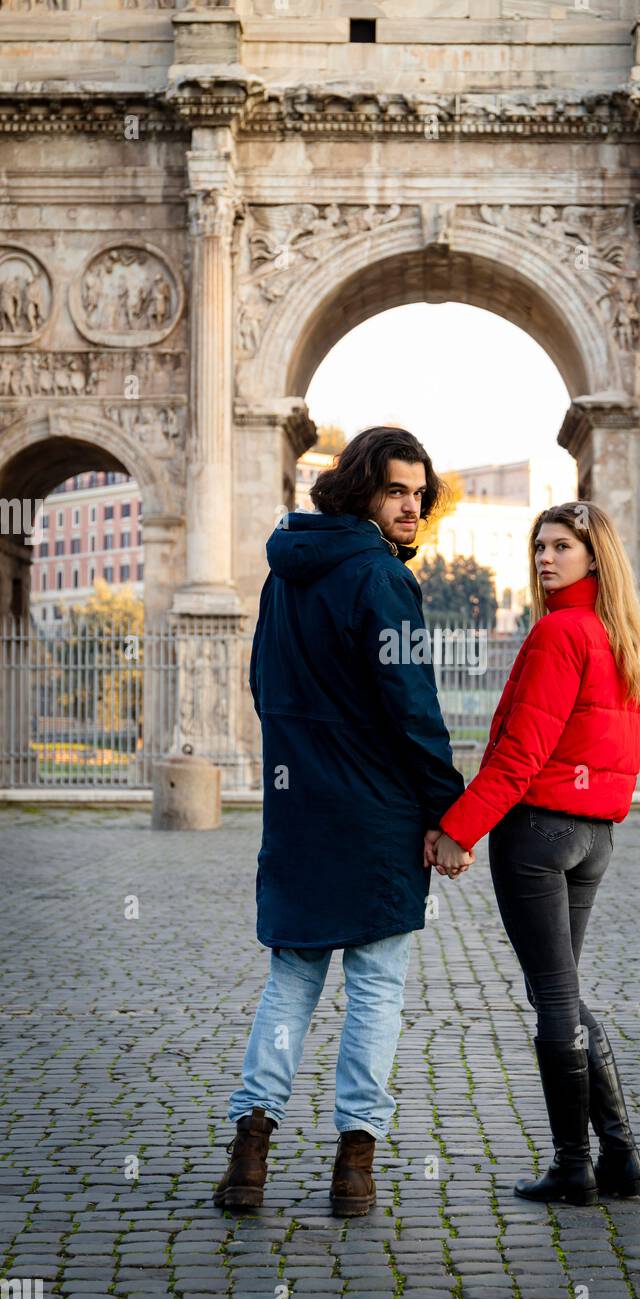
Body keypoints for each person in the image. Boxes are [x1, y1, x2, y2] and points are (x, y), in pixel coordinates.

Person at [213, 426, 473, 1217]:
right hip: (374, 817)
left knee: (290, 982)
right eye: (397, 491)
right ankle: (353, 1166)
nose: (412, 508)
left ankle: (249, 1157)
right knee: (377, 990)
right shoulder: (380, 580)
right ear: (361, 487)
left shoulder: (283, 573)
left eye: (420, 495)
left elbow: (264, 684)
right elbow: (413, 706)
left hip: (299, 813)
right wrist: (445, 809)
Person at [426, 500, 640, 1205]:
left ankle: (573, 1167)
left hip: (539, 835)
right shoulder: (622, 637)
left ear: (595, 555)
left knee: (554, 996)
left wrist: (457, 829)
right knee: (558, 990)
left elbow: (520, 755)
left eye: (562, 546)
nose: (545, 558)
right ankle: (619, 1158)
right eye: (539, 546)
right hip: (595, 837)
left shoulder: (561, 633)